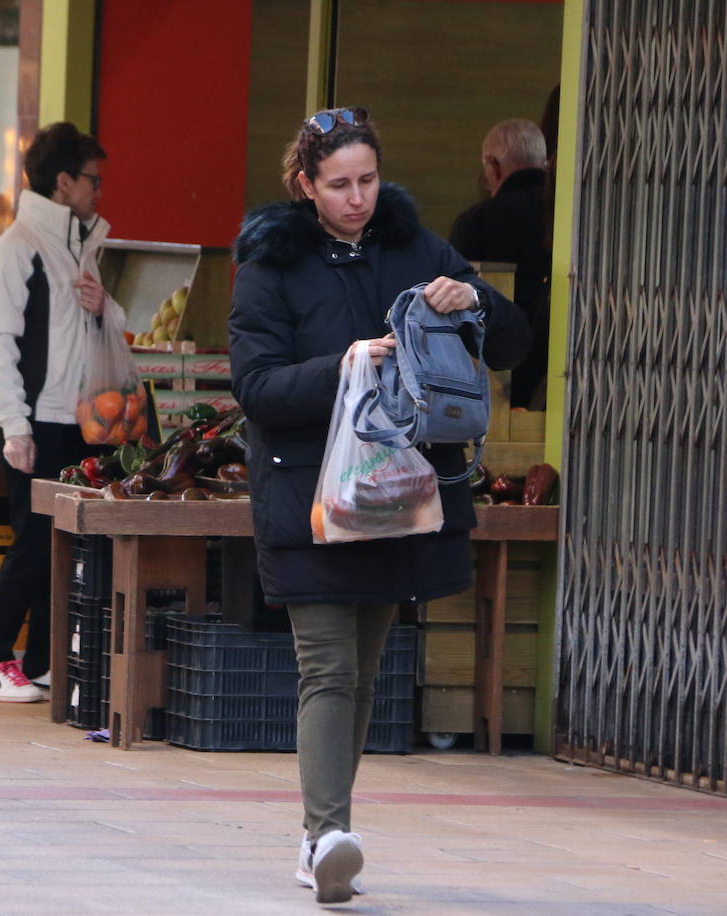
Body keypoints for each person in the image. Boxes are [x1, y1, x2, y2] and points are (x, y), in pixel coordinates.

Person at [229, 107, 530, 903]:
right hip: (309, 497)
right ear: (305, 185)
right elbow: (256, 389)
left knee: (363, 672)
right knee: (327, 668)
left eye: (366, 180)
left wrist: (474, 298)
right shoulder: (270, 262)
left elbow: (511, 341)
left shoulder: (416, 245)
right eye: (338, 185)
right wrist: (345, 363)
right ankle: (326, 833)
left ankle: (320, 836)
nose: (356, 198)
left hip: (399, 491)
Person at [0, 122, 118, 703]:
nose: (98, 191)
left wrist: (107, 306)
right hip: (35, 420)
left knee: (64, 545)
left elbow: (107, 329)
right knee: (34, 540)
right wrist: (14, 424)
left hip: (80, 418)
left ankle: (39, 664)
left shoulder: (82, 248)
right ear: (64, 182)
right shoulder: (18, 247)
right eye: (92, 180)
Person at [449, 118, 551, 409]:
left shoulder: (478, 221)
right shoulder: (567, 215)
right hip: (560, 377)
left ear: (493, 166)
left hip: (497, 390)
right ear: (544, 164)